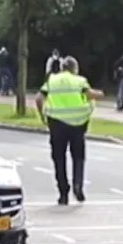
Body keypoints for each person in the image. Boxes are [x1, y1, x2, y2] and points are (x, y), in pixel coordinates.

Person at [36, 56, 101, 205]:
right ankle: (78, 186)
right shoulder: (79, 81)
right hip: (78, 124)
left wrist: (42, 116)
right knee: (78, 157)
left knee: (59, 159)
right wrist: (100, 94)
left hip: (56, 124)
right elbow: (89, 94)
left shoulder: (51, 80)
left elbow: (39, 99)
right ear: (75, 69)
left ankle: (63, 193)